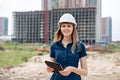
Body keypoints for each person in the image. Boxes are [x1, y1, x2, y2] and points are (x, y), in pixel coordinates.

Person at [46, 13, 88, 80]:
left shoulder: (80, 46)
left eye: (69, 26)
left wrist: (71, 69)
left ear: (73, 28)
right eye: (63, 26)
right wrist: (49, 69)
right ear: (60, 28)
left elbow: (85, 72)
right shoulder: (54, 46)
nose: (66, 28)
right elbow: (52, 68)